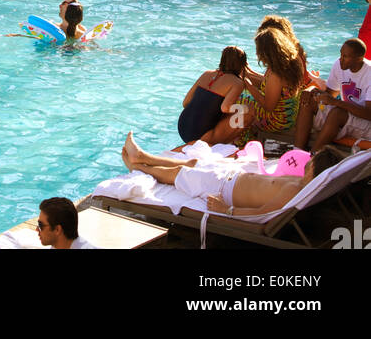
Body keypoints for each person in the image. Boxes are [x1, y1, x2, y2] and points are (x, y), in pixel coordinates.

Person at [120, 132, 338, 217]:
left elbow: (262, 213)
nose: (308, 161)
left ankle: (138, 167)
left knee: (180, 173)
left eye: (312, 162)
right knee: (194, 163)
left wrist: (226, 210)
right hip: (231, 177)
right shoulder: (302, 185)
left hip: (224, 188)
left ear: (314, 172)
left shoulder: (294, 190)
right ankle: (142, 156)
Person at [294, 39, 371, 151]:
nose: (340, 59)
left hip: (367, 123)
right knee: (308, 101)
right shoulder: (338, 65)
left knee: (337, 113)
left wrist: (336, 102)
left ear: (359, 59)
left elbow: (369, 114)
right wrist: (312, 91)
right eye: (341, 54)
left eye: (345, 56)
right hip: (348, 115)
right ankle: (297, 151)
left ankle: (313, 156)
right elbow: (330, 95)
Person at [234, 26, 306, 142]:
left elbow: (268, 107)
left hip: (277, 121)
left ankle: (241, 140)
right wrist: (248, 73)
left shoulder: (276, 74)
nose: (257, 54)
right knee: (243, 96)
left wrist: (248, 85)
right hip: (289, 115)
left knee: (238, 99)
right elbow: (269, 86)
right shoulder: (293, 62)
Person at [177, 47, 248, 145]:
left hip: (183, 128)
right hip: (200, 136)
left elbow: (185, 103)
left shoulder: (206, 74)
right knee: (248, 111)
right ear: (243, 64)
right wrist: (243, 107)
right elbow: (225, 108)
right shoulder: (237, 82)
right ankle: (229, 143)